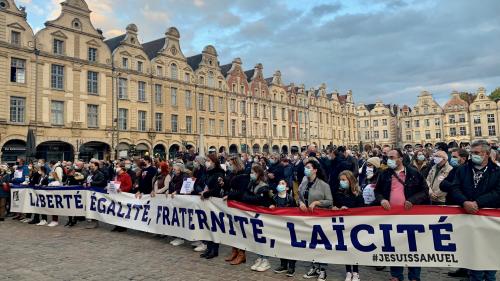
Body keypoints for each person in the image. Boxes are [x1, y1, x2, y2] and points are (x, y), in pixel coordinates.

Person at [447, 140, 499, 281]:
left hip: (488, 220)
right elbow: (454, 187)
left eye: (477, 153)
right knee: (472, 254)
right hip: (467, 218)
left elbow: (497, 192)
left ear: (487, 154)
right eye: (472, 153)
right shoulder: (462, 169)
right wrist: (464, 202)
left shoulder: (496, 171)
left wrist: (477, 203)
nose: (473, 156)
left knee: (489, 255)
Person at [375, 149, 429, 281]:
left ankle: (414, 276)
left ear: (400, 158)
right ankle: (396, 275)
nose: (389, 160)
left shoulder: (413, 173)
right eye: (388, 157)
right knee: (394, 245)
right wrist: (382, 199)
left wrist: (412, 200)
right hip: (391, 216)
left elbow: (424, 191)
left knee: (413, 246)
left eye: (392, 157)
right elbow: (377, 191)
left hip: (410, 216)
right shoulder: (384, 174)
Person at [299, 160, 333, 281]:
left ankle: (322, 270)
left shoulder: (324, 185)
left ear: (315, 170)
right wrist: (301, 203)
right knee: (311, 244)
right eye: (305, 167)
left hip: (321, 219)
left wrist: (317, 202)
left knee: (321, 244)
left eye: (308, 167)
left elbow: (330, 201)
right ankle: (314, 267)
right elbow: (300, 196)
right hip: (308, 219)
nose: (306, 169)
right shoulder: (304, 183)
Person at [240, 164, 274, 272]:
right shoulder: (251, 183)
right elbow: (245, 196)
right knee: (256, 236)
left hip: (262, 214)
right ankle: (260, 256)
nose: (251, 174)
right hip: (254, 214)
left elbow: (258, 200)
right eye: (251, 172)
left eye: (253, 173)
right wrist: (250, 198)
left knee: (263, 236)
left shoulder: (264, 186)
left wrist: (250, 198)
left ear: (258, 174)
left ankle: (266, 260)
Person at [333, 170, 364, 281]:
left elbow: (361, 209)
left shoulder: (357, 194)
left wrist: (349, 210)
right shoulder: (338, 193)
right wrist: (335, 209)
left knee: (354, 248)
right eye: (340, 180)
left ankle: (355, 272)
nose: (341, 182)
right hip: (342, 225)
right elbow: (335, 206)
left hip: (354, 225)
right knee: (345, 248)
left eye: (344, 180)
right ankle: (348, 272)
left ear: (350, 180)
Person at [223, 156, 251, 264]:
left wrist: (230, 195)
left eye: (230, 163)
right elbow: (229, 186)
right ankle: (234, 250)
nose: (229, 164)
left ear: (235, 163)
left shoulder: (243, 174)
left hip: (239, 203)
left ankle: (241, 254)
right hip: (232, 203)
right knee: (233, 228)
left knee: (240, 229)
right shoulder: (232, 173)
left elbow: (241, 191)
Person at [199, 154, 225, 259]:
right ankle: (209, 248)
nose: (207, 162)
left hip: (214, 201)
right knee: (207, 225)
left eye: (208, 160)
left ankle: (214, 250)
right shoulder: (209, 172)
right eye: (206, 160)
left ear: (214, 162)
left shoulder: (219, 173)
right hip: (207, 202)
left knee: (214, 226)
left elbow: (217, 189)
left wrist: (205, 194)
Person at [271, 179, 297, 277]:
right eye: (279, 183)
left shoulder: (290, 199)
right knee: (281, 245)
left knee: (290, 246)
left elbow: (295, 212)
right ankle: (283, 265)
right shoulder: (274, 198)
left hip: (289, 226)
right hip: (278, 226)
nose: (280, 185)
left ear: (287, 187)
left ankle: (292, 267)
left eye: (283, 183)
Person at [168, 163, 187, 246]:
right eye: (173, 169)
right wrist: (168, 192)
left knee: (181, 219)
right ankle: (177, 236)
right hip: (174, 199)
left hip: (181, 200)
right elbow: (171, 185)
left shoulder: (184, 177)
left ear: (180, 170)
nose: (173, 170)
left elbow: (185, 188)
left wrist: (177, 191)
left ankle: (181, 238)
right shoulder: (174, 176)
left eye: (175, 169)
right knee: (175, 219)